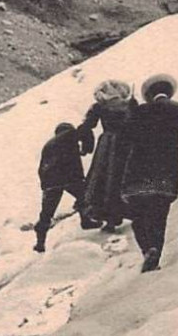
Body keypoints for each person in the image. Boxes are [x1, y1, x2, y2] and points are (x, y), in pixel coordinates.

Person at [120, 74, 178, 273]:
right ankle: (155, 251)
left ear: (148, 95)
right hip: (166, 170)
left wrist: (130, 114)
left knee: (138, 215)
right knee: (159, 214)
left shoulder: (139, 111)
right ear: (168, 92)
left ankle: (147, 249)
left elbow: (124, 137)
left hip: (138, 170)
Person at [77, 80, 138, 232]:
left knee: (103, 179)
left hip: (108, 144)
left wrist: (79, 136)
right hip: (128, 143)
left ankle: (110, 220)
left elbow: (87, 125)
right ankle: (133, 211)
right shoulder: (130, 103)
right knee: (126, 175)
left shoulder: (99, 106)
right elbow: (140, 122)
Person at [33, 122, 88, 253]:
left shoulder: (49, 144)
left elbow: (42, 168)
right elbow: (83, 131)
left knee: (46, 213)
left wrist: (45, 185)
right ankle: (86, 219)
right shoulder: (68, 136)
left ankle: (40, 243)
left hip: (50, 181)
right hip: (67, 178)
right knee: (85, 195)